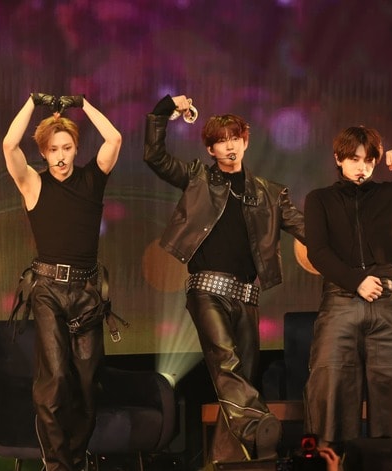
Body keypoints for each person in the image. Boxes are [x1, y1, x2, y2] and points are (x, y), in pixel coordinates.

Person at [143, 94, 305, 462]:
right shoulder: (197, 178)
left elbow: (307, 230)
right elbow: (154, 156)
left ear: (245, 142)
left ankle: (229, 460)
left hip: (247, 297)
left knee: (239, 383)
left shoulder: (271, 194)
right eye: (221, 140)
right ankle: (261, 422)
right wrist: (165, 108)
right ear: (210, 149)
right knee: (225, 362)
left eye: (235, 138)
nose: (229, 145)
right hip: (206, 290)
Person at [303, 125, 392, 452]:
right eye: (354, 159)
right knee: (331, 390)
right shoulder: (320, 199)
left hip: (384, 301)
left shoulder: (390, 194)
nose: (362, 167)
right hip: (340, 301)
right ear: (338, 159)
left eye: (369, 160)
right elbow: (318, 252)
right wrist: (355, 281)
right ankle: (331, 463)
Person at [2, 93, 122, 471]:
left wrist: (83, 104)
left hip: (87, 293)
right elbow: (9, 145)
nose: (60, 156)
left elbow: (115, 138)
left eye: (67, 148)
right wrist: (31, 102)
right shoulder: (33, 184)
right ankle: (57, 464)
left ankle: (75, 458)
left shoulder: (92, 179)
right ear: (43, 152)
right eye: (53, 149)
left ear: (75, 149)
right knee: (53, 379)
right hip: (48, 291)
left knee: (87, 384)